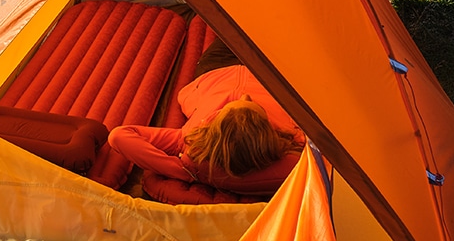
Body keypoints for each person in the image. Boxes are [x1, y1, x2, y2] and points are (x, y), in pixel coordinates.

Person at [87, 42, 305, 204]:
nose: (244, 97)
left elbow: (120, 135)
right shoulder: (292, 139)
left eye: (229, 107)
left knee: (233, 18)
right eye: (252, 105)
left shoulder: (194, 141)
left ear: (215, 126)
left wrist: (179, 170)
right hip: (267, 73)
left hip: (215, 71)